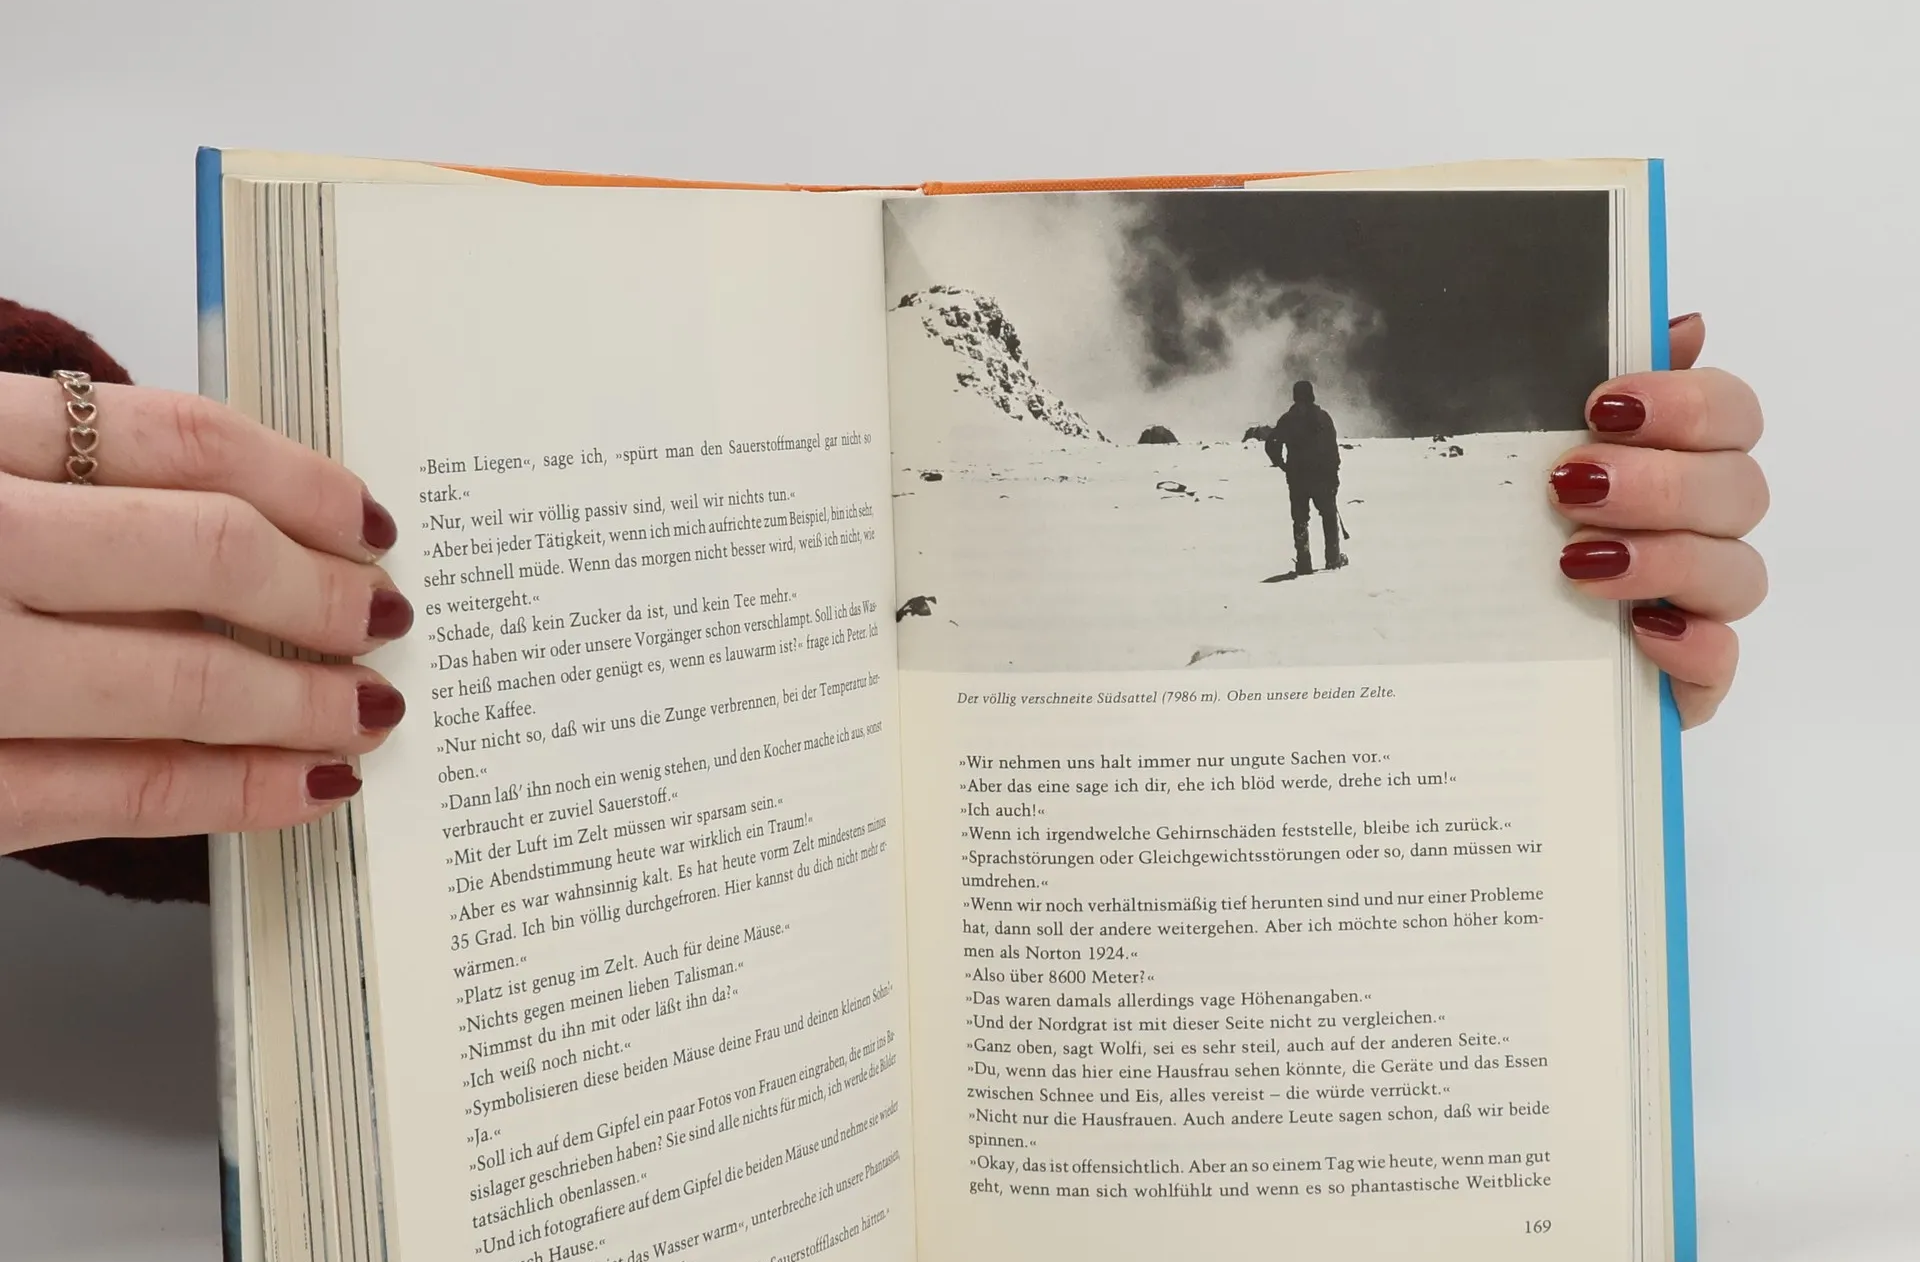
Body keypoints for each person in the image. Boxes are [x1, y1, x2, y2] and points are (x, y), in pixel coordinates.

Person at [0, 304, 1766, 887]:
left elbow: (1311, 452)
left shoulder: (1311, 421)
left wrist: (1538, 690)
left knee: (1324, 547)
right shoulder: (1284, 419)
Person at [1266, 378, 1347, 576]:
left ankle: (1303, 562)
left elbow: (1272, 443)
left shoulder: (1288, 419)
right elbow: (1333, 450)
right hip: (1322, 477)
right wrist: (1334, 476)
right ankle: (1333, 559)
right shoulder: (1323, 417)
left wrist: (1282, 464)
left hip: (1297, 478)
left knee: (1300, 519)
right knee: (1328, 516)